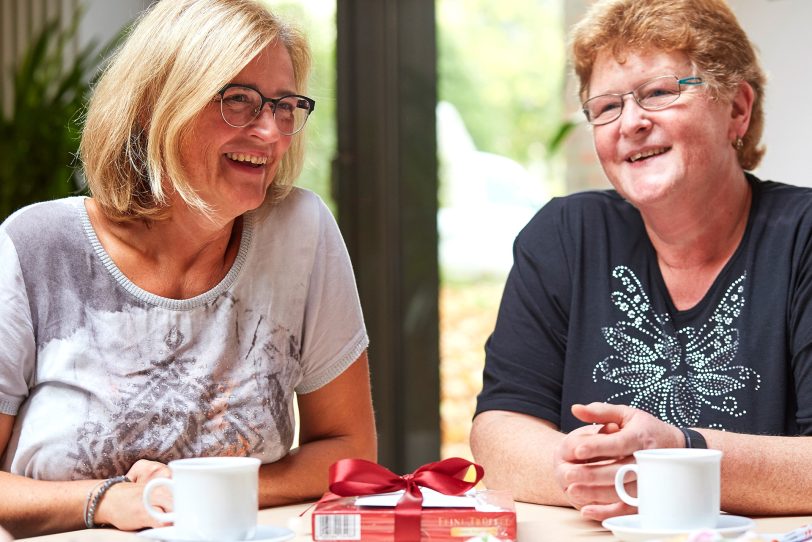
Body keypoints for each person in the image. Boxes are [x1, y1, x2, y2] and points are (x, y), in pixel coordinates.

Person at [0, 0, 376, 537]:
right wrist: (106, 501)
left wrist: (188, 488)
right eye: (240, 101)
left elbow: (348, 450)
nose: (270, 132)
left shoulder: (301, 232)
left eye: (284, 105)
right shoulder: (36, 247)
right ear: (158, 107)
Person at [471, 0, 812, 522]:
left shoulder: (803, 236)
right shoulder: (565, 235)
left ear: (737, 109)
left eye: (658, 93)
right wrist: (577, 470)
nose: (630, 123)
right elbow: (500, 428)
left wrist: (671, 457)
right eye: (606, 107)